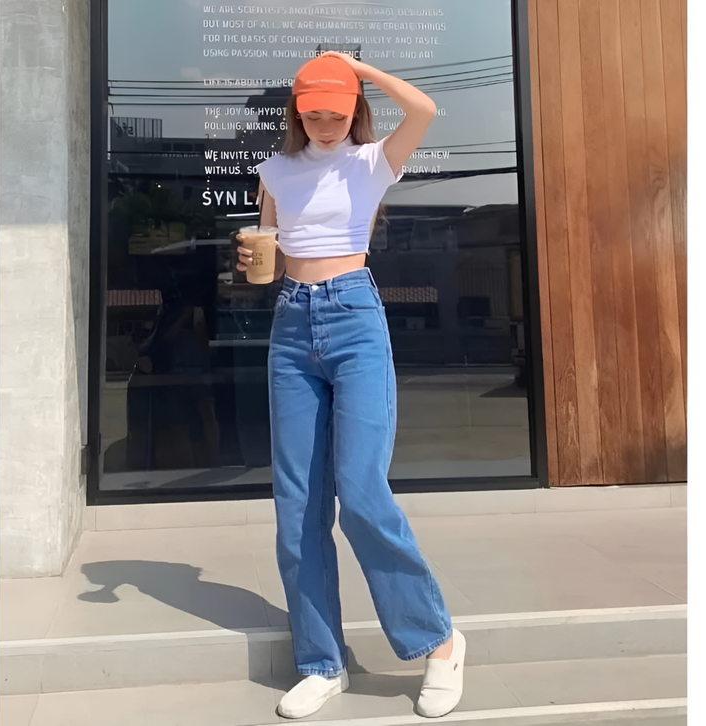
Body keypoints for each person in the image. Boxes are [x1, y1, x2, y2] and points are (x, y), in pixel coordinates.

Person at [236, 51, 465, 720]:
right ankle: (320, 662)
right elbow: (268, 244)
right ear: (297, 112)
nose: (326, 123)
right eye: (314, 113)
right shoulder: (274, 171)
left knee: (361, 492)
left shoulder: (373, 162)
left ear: (354, 109)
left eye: (337, 112)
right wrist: (252, 256)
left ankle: (440, 642)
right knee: (298, 505)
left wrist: (360, 72)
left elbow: (423, 108)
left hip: (354, 318)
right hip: (291, 324)